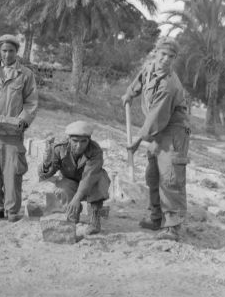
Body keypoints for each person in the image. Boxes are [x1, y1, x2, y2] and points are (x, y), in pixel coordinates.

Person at [122, 36, 190, 241]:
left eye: (171, 56)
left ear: (174, 59)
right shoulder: (150, 67)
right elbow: (141, 80)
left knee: (170, 177)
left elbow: (156, 117)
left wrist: (138, 139)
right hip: (158, 128)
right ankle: (156, 218)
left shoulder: (170, 85)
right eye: (163, 54)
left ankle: (173, 227)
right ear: (156, 53)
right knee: (152, 174)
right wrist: (129, 94)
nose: (166, 59)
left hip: (174, 131)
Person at [0, 34, 38, 222]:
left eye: (11, 51)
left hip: (12, 133)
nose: (7, 54)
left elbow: (31, 102)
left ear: (16, 52)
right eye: (4, 50)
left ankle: (12, 210)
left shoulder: (26, 75)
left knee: (12, 172)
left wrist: (22, 121)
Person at [38, 121, 111, 237]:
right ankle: (73, 214)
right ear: (69, 139)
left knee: (100, 180)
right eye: (75, 141)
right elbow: (45, 176)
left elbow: (89, 177)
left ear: (89, 140)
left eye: (83, 141)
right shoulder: (59, 149)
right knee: (61, 187)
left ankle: (94, 217)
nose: (79, 145)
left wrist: (77, 198)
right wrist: (46, 163)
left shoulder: (95, 150)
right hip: (70, 181)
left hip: (89, 182)